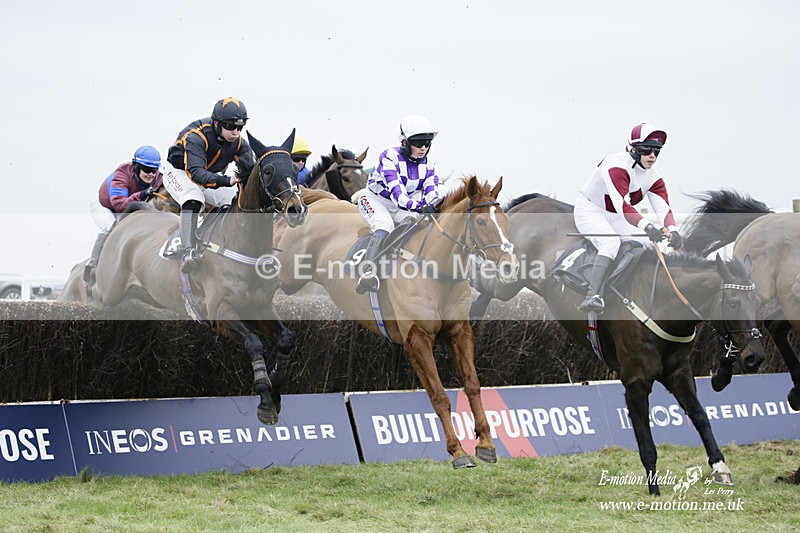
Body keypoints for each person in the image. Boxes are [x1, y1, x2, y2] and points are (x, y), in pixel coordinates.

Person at [573, 122, 683, 312]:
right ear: (634, 148)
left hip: (615, 216)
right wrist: (648, 227)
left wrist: (673, 231)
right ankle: (593, 296)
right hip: (591, 209)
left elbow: (663, 209)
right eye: (647, 150)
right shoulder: (616, 165)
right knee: (611, 243)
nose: (652, 156)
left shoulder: (653, 176)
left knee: (648, 245)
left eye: (657, 151)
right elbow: (622, 206)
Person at [163, 97, 256, 273]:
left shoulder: (239, 143)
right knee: (193, 198)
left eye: (240, 127)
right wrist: (228, 180)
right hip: (179, 172)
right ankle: (188, 251)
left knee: (233, 200)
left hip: (207, 174)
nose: (235, 132)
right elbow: (196, 174)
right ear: (216, 124)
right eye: (230, 126)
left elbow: (250, 172)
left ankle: (207, 236)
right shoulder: (196, 136)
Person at [355, 114, 441, 293]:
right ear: (404, 142)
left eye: (427, 143)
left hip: (400, 206)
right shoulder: (389, 156)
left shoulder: (429, 164)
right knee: (384, 225)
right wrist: (420, 206)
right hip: (375, 200)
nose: (423, 148)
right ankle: (368, 271)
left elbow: (432, 192)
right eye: (418, 143)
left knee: (418, 223)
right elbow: (398, 195)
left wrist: (433, 206)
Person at [84, 145, 163, 285]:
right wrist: (141, 194)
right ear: (135, 166)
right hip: (106, 206)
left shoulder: (159, 178)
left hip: (131, 208)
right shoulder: (121, 174)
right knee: (110, 228)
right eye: (147, 170)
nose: (151, 174)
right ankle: (91, 267)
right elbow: (119, 206)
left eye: (154, 170)